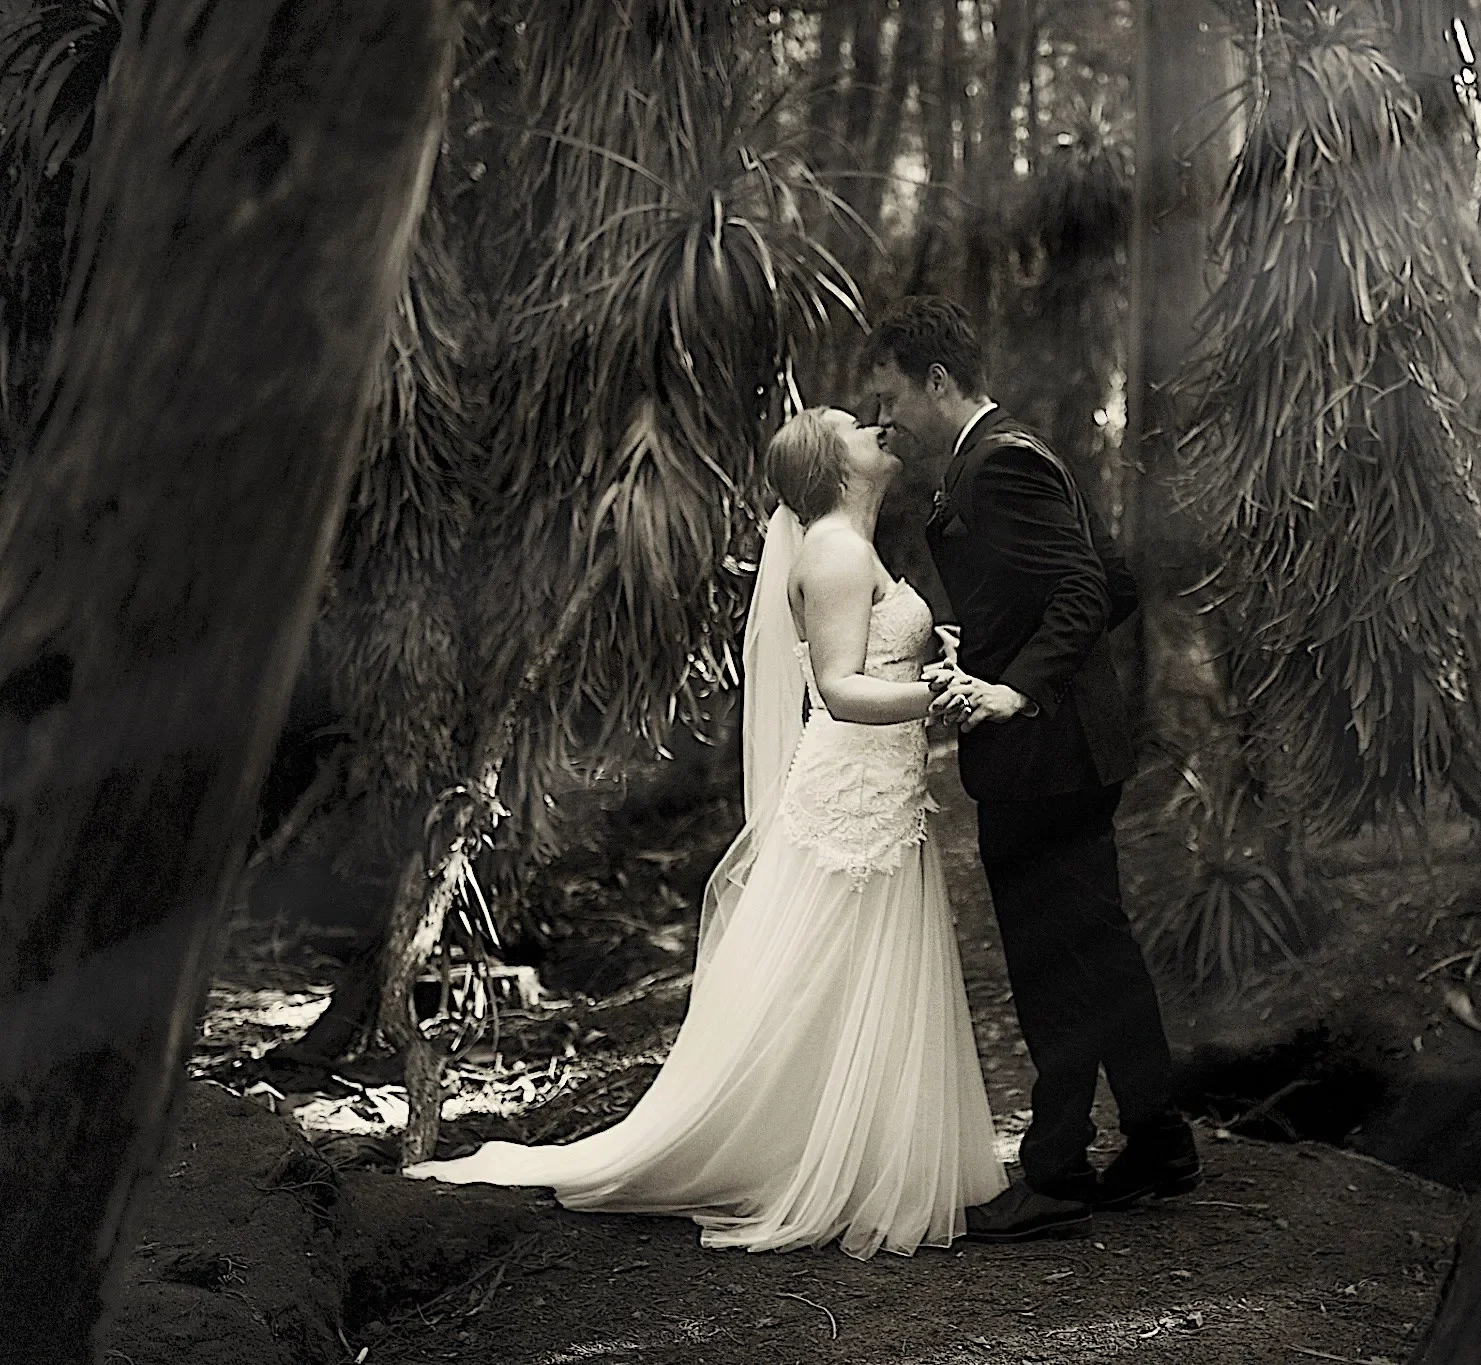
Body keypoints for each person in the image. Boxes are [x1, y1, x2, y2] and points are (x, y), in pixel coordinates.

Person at [404, 408, 1006, 1260]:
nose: (877, 426)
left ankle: (855, 1149)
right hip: (852, 795)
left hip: (882, 786)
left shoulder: (850, 544)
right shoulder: (835, 550)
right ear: (832, 464)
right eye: (854, 426)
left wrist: (924, 660)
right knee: (831, 969)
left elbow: (874, 656)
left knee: (856, 973)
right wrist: (943, 697)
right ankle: (814, 1156)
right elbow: (838, 690)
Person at [865, 296, 1201, 1245]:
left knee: (1054, 958)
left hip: (1046, 756)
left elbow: (1091, 587)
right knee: (1098, 947)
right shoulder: (1008, 451)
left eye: (892, 397)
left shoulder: (1003, 463)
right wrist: (1012, 648)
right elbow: (1107, 578)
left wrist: (1019, 691)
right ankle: (1158, 1139)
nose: (886, 419)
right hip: (1060, 750)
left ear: (937, 380)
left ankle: (1057, 1166)